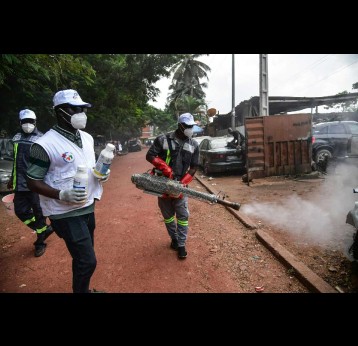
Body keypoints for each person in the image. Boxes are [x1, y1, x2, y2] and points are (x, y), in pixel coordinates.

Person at [26, 89, 110, 293]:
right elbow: (32, 181)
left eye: (83, 109)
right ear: (60, 111)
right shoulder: (44, 145)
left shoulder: (88, 138)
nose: (81, 113)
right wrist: (61, 194)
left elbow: (88, 166)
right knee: (88, 261)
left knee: (83, 258)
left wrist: (101, 174)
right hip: (64, 212)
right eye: (75, 109)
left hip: (88, 206)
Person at [146, 112, 199, 259]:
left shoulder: (193, 144)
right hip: (162, 184)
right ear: (180, 126)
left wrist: (183, 183)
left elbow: (194, 167)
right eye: (187, 126)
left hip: (181, 185)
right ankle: (174, 239)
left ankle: (181, 245)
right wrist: (164, 167)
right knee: (168, 216)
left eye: (192, 126)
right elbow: (150, 155)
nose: (190, 129)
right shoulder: (163, 139)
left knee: (182, 216)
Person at [7, 109, 54, 257]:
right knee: (20, 211)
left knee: (39, 212)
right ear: (20, 123)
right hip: (19, 183)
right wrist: (11, 178)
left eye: (30, 121)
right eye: (24, 121)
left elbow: (47, 163)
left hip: (35, 183)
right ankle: (44, 229)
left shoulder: (42, 139)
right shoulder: (16, 138)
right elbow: (16, 162)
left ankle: (40, 243)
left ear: (35, 122)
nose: (27, 124)